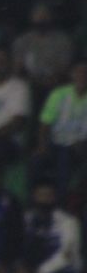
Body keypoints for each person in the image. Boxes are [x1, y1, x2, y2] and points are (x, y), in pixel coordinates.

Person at [34, 60, 87, 194]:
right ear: (72, 75)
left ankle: (60, 201)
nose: (82, 76)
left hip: (80, 145)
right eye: (79, 72)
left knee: (65, 157)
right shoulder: (59, 94)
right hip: (55, 142)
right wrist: (42, 145)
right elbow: (45, 123)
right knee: (36, 161)